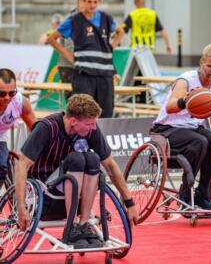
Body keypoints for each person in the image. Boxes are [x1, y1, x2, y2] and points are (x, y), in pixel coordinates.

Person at [15, 94, 138, 248]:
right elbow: (21, 166)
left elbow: (111, 166)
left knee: (93, 159)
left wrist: (130, 203)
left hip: (74, 196)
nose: (94, 128)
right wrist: (20, 206)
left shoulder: (89, 129)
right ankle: (71, 226)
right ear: (73, 121)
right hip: (44, 196)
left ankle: (83, 224)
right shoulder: (47, 127)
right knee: (77, 159)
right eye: (90, 124)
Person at [151, 44, 211, 210]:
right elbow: (170, 106)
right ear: (201, 62)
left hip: (191, 127)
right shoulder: (186, 80)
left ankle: (204, 195)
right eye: (209, 66)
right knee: (200, 142)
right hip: (167, 128)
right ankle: (185, 191)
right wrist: (185, 101)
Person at [46, 0, 124, 118]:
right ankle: (80, 138)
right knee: (82, 112)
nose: (92, 5)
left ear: (99, 2)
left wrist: (112, 47)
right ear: (83, 1)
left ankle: (101, 138)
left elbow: (120, 31)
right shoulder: (74, 20)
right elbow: (51, 38)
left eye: (95, 2)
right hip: (84, 74)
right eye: (89, 1)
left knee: (106, 113)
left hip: (105, 74)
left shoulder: (106, 18)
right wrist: (69, 56)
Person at [0, 68, 37, 189]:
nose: (7, 98)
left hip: (1, 136)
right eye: (2, 93)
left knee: (1, 166)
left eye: (11, 93)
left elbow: (36, 131)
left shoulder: (20, 102)